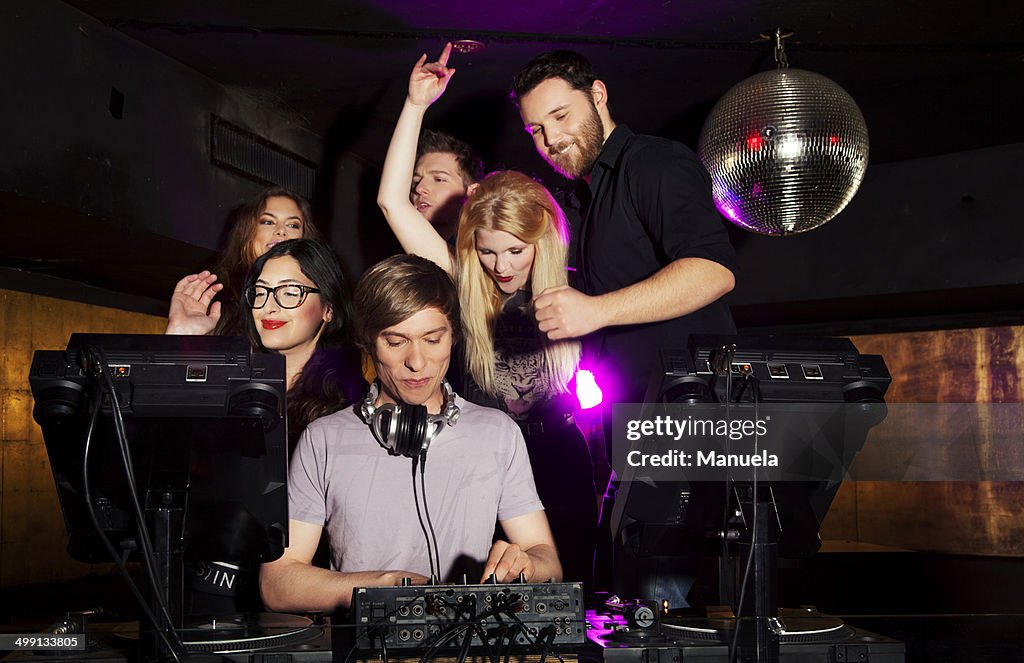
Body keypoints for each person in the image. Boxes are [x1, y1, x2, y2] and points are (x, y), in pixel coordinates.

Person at [511, 50, 739, 606]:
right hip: (633, 428)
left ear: (598, 95)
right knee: (625, 593)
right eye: (537, 129)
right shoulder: (580, 200)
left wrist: (595, 310)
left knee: (657, 593)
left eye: (561, 116)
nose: (551, 139)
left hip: (689, 423)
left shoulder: (655, 164)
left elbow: (713, 271)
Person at [377, 46, 598, 585]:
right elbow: (392, 202)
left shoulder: (575, 290)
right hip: (475, 459)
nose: (501, 265)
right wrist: (414, 105)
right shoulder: (458, 279)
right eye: (488, 251)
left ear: (541, 243)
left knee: (569, 594)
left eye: (516, 252)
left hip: (558, 459)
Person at [259, 255, 561, 614]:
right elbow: (277, 583)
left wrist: (524, 564)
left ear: (453, 338)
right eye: (396, 341)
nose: (417, 362)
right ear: (369, 343)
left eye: (433, 340)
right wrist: (384, 587)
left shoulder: (498, 433)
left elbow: (548, 562)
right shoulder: (323, 439)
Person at [185, 238, 359, 617]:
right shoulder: (230, 384)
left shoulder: (350, 408)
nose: (270, 306)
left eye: (290, 292)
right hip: (204, 592)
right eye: (260, 293)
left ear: (328, 307)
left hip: (294, 607)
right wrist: (184, 339)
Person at [165, 186, 323, 336]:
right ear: (246, 235)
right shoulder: (215, 304)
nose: (281, 230)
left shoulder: (318, 304)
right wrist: (180, 334)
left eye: (293, 225)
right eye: (268, 222)